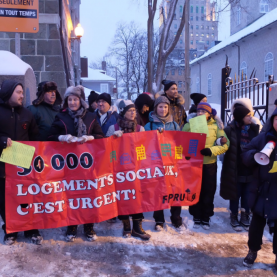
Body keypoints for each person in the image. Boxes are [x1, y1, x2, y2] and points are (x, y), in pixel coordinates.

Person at [48, 86, 104, 242]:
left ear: (81, 100)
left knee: (89, 195)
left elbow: (101, 136)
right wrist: (62, 138)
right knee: (71, 195)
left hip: (89, 165)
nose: (72, 102)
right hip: (69, 166)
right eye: (70, 99)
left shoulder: (91, 117)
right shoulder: (61, 116)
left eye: (75, 99)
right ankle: (71, 226)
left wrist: (90, 138)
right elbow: (50, 136)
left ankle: (89, 226)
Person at [0, 80, 42, 245]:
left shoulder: (27, 114)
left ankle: (32, 228)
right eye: (18, 92)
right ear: (8, 92)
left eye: (22, 92)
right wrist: (2, 141)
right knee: (6, 200)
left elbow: (36, 138)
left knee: (28, 197)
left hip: (24, 166)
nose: (22, 95)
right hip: (3, 167)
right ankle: (11, 230)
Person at [106, 100, 150, 240]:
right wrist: (113, 138)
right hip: (120, 169)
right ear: (123, 113)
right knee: (123, 196)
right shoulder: (114, 127)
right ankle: (126, 225)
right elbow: (105, 147)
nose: (133, 113)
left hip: (136, 169)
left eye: (134, 111)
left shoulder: (140, 129)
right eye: (130, 110)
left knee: (137, 197)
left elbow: (145, 148)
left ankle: (137, 227)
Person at [183, 103, 229, 229]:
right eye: (199, 111)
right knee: (194, 190)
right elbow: (181, 139)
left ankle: (206, 217)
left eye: (204, 112)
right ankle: (196, 216)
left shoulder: (216, 126)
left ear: (209, 114)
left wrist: (211, 151)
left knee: (208, 191)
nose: (201, 114)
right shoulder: (190, 124)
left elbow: (225, 144)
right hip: (194, 164)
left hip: (209, 165)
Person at [241, 109, 277, 269]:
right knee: (257, 224)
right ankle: (252, 251)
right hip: (261, 190)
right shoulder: (263, 138)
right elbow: (245, 152)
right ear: (272, 121)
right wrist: (256, 155)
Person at [220, 106, 259, 232]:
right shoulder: (230, 130)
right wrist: (220, 142)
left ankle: (245, 216)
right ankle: (233, 216)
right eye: (247, 115)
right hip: (235, 167)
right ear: (241, 117)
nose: (250, 117)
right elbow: (223, 145)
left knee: (247, 194)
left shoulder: (254, 129)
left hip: (250, 167)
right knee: (235, 193)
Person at [144, 96, 180, 230]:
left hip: (172, 163)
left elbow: (180, 142)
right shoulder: (149, 125)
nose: (163, 109)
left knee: (175, 190)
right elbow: (145, 144)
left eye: (165, 107)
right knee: (158, 191)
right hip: (156, 164)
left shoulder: (175, 125)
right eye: (160, 106)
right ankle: (159, 220)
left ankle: (176, 218)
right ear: (155, 108)